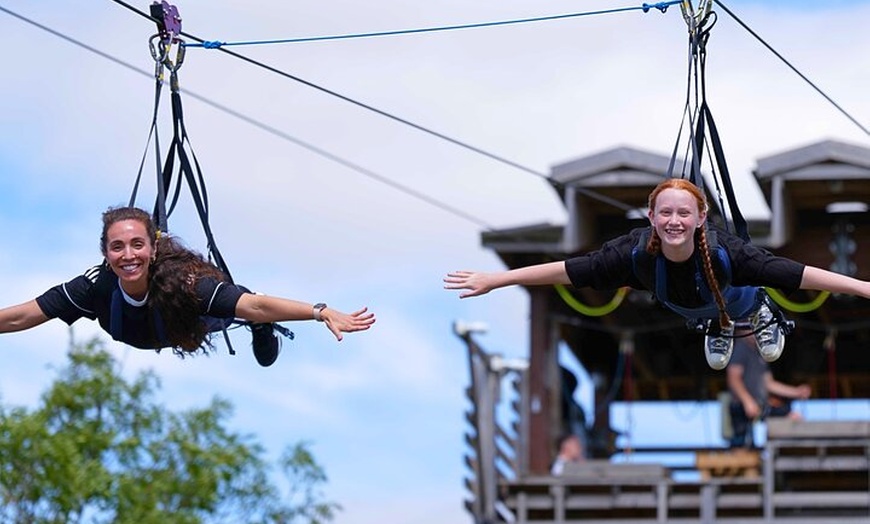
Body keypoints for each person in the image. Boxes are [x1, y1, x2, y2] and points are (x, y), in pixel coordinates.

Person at [444, 177, 870, 370]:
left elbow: (798, 275)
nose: (673, 221)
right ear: (651, 215)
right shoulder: (632, 254)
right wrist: (496, 279)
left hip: (735, 293)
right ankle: (718, 324)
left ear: (701, 217)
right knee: (699, 305)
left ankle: (757, 313)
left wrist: (862, 287)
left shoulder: (729, 252)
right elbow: (567, 271)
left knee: (747, 292)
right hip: (692, 306)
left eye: (683, 213)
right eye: (664, 212)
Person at [0, 206, 375, 367]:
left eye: (136, 244)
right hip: (140, 330)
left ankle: (262, 333)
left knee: (239, 305)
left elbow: (254, 305)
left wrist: (320, 311)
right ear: (105, 252)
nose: (127, 255)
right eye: (117, 247)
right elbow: (22, 316)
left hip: (188, 321)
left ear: (153, 247)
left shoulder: (188, 285)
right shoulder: (94, 289)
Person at [726, 326, 811, 448]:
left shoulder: (759, 353)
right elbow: (733, 378)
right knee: (741, 444)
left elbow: (769, 383)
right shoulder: (741, 349)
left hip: (757, 406)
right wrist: (747, 401)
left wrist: (796, 392)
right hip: (741, 407)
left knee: (787, 413)